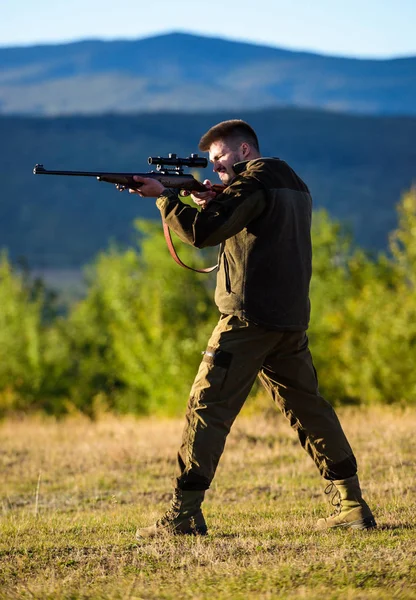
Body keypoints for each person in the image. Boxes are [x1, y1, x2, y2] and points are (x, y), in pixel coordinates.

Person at [130, 119, 376, 538]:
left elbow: (203, 233)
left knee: (206, 408)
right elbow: (252, 222)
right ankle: (351, 504)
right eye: (209, 164)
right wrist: (206, 196)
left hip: (248, 318)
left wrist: (164, 199)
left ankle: (184, 513)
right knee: (310, 410)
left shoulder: (254, 182)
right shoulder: (289, 179)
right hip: (288, 318)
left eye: (220, 158)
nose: (214, 169)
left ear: (245, 152)